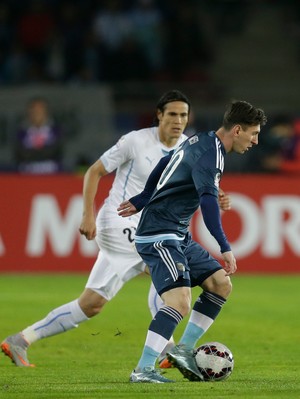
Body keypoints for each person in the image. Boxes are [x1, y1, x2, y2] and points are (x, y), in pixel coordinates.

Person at [1, 89, 229, 368]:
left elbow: (193, 183)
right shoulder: (135, 141)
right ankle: (168, 350)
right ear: (159, 115)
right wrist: (88, 214)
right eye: (172, 114)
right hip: (118, 222)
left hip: (150, 227)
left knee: (91, 304)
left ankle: (21, 339)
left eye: (183, 115)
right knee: (167, 271)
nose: (178, 120)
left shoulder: (187, 146)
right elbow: (94, 171)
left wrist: (216, 194)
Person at [118, 100, 267, 383]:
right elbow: (209, 204)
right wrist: (225, 246)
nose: (256, 140)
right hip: (158, 236)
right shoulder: (211, 157)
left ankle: (183, 350)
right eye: (253, 134)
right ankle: (143, 370)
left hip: (178, 234)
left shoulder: (204, 139)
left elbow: (167, 161)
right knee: (179, 301)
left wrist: (144, 196)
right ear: (237, 130)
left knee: (220, 284)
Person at [14, 96, 63, 173]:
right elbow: (20, 153)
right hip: (26, 173)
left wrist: (33, 153)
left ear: (46, 112)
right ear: (29, 113)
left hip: (51, 173)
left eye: (40, 110)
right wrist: (42, 152)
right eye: (34, 110)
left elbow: (56, 151)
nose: (37, 113)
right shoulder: (22, 133)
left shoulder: (55, 131)